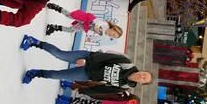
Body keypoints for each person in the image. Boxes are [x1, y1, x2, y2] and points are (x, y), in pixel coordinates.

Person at [20, 35, 153, 85]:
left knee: (56, 75)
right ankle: (34, 42)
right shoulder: (127, 64)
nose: (141, 76)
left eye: (143, 79)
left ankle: (35, 73)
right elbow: (105, 57)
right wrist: (87, 61)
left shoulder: (124, 85)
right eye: (144, 74)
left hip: (87, 74)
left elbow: (104, 84)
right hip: (89, 58)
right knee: (60, 54)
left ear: (141, 83)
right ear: (142, 71)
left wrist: (86, 87)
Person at [45, 3, 123, 37]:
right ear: (113, 29)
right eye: (113, 34)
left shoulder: (102, 34)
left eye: (112, 36)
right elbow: (97, 22)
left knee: (71, 30)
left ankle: (54, 27)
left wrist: (90, 33)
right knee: (69, 15)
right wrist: (96, 27)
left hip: (85, 26)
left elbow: (92, 33)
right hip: (87, 20)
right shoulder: (106, 25)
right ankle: (56, 7)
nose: (111, 35)